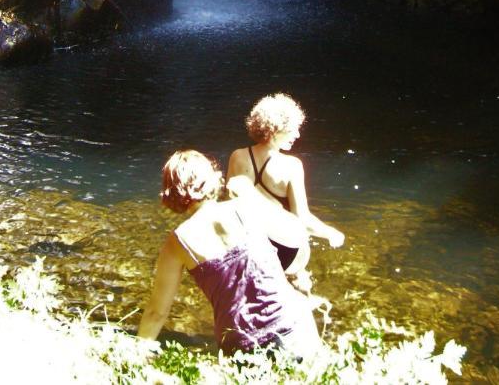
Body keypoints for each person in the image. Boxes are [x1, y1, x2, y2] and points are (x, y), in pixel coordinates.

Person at [137, 149, 321, 357]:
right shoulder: (245, 206)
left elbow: (156, 312)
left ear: (172, 192)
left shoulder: (178, 242)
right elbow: (297, 233)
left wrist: (137, 353)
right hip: (295, 326)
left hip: (244, 345)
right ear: (211, 178)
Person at [226, 93, 344, 288]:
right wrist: (332, 233)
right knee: (299, 275)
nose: (297, 135)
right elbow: (303, 220)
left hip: (248, 248)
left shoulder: (237, 156)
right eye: (292, 130)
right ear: (274, 129)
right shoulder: (292, 166)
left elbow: (228, 205)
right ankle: (301, 284)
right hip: (283, 253)